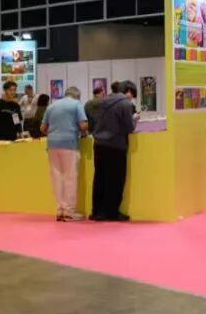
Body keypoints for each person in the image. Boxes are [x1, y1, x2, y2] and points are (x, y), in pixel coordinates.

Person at [91, 81, 137, 222]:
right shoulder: (125, 104)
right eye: (132, 94)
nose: (132, 97)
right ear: (128, 91)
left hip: (99, 144)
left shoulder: (102, 101)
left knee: (99, 178)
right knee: (115, 180)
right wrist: (134, 119)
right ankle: (111, 212)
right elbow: (129, 127)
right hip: (116, 145)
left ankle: (97, 212)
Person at [41, 87, 88, 222]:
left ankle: (60, 209)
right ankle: (69, 211)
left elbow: (43, 128)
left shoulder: (51, 106)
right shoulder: (76, 104)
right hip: (69, 144)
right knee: (70, 177)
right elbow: (83, 126)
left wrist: (54, 133)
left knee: (57, 178)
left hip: (52, 145)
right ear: (77, 96)